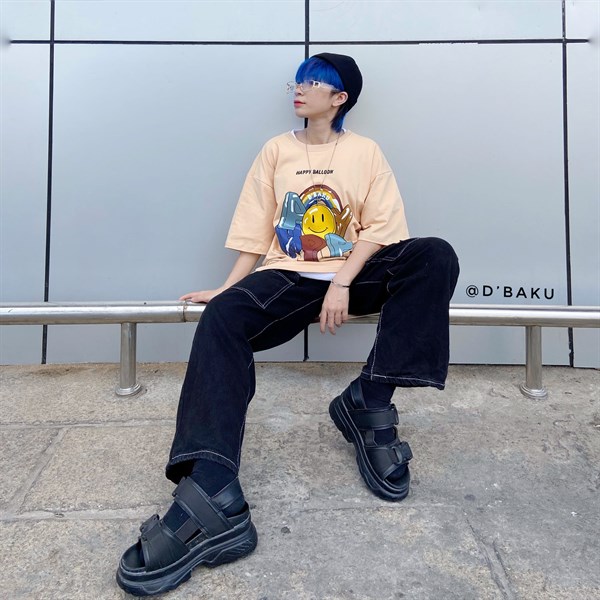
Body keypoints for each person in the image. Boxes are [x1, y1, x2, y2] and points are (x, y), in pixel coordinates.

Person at [116, 53, 459, 596]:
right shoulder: (277, 149)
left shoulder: (365, 151)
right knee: (223, 317)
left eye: (313, 82)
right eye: (297, 81)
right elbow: (256, 228)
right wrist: (228, 288)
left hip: (354, 272)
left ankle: (370, 399)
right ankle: (212, 485)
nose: (299, 89)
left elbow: (381, 228)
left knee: (434, 254)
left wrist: (342, 281)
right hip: (289, 276)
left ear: (339, 98)